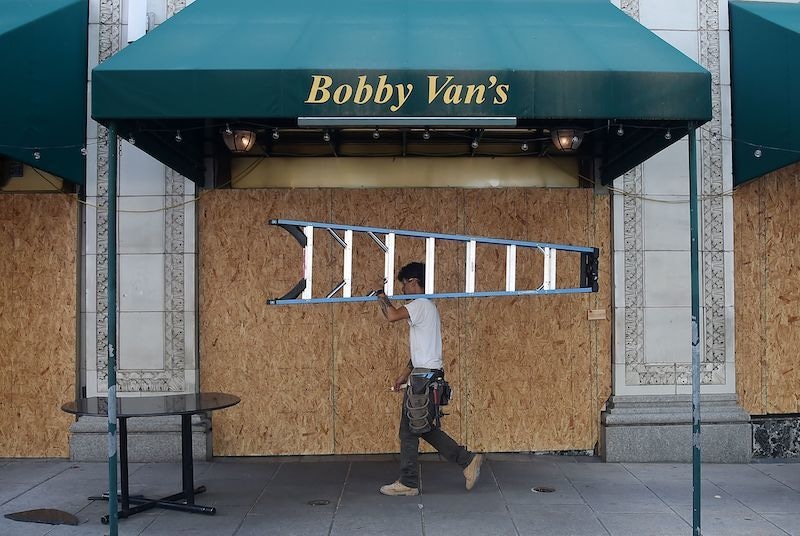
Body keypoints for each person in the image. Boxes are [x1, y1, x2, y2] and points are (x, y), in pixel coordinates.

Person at [375, 261, 483, 496]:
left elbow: (392, 315)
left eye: (404, 284)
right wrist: (404, 375)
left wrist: (379, 294)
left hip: (424, 379)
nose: (403, 289)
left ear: (413, 281)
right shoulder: (428, 308)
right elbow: (422, 351)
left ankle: (411, 481)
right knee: (418, 428)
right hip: (424, 376)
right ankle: (463, 462)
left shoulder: (420, 304)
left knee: (412, 429)